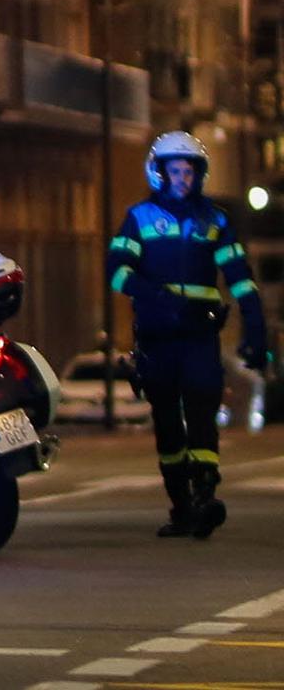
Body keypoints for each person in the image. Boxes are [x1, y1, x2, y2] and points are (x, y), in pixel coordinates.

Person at [106, 131, 267, 539]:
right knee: (167, 423)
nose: (184, 178)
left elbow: (240, 280)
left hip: (198, 336)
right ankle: (181, 504)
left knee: (202, 408)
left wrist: (256, 328)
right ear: (159, 173)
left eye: (190, 171)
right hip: (157, 338)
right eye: (176, 170)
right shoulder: (139, 217)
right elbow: (118, 272)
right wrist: (158, 296)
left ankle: (206, 493)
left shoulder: (214, 221)